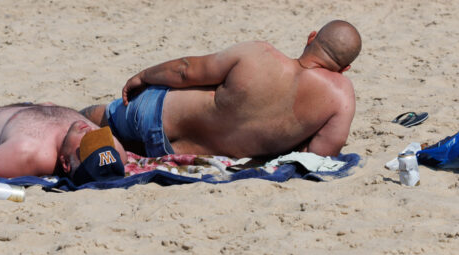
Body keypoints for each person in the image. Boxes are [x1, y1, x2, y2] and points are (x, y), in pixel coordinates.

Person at [82, 21, 361, 159]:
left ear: (311, 37)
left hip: (155, 115)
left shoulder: (260, 54)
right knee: (114, 145)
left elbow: (185, 70)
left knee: (95, 118)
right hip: (175, 153)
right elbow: (319, 156)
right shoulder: (340, 97)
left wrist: (143, 76)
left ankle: (54, 118)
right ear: (345, 68)